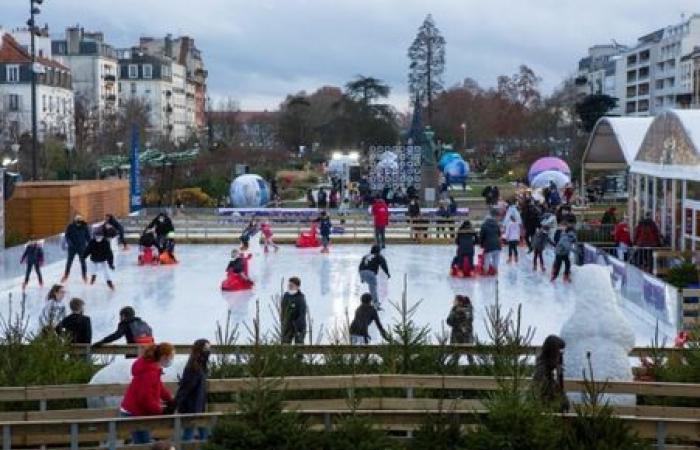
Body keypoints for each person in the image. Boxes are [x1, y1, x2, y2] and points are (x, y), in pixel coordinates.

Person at [120, 343, 176, 444]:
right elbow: (145, 399)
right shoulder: (150, 372)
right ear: (163, 357)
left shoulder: (152, 368)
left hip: (136, 411)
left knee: (143, 442)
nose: (172, 360)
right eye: (171, 357)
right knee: (143, 444)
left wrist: (170, 400)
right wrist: (161, 411)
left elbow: (159, 388)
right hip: (134, 413)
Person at [175, 339, 211, 442]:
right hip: (191, 406)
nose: (208, 351)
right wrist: (177, 402)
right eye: (206, 349)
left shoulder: (201, 365)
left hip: (198, 405)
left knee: (201, 432)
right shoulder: (193, 367)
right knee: (189, 434)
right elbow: (186, 388)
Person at [532, 335, 567, 411]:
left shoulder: (549, 371)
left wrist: (559, 375)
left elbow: (563, 403)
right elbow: (545, 400)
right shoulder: (542, 372)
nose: (561, 356)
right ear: (553, 352)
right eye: (559, 352)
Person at [358, 245, 390, 309]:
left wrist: (362, 277)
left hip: (362, 272)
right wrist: (387, 273)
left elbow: (360, 266)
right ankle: (376, 304)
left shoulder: (365, 256)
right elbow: (383, 265)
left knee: (371, 287)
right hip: (370, 273)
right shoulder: (378, 256)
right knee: (373, 289)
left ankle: (373, 302)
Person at [62, 214, 91, 283]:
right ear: (75, 220)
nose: (78, 222)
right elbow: (67, 236)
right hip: (72, 248)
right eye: (77, 220)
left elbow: (88, 237)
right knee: (69, 262)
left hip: (81, 248)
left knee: (83, 262)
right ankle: (66, 275)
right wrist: (70, 243)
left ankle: (84, 276)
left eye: (79, 220)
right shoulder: (70, 226)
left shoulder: (85, 226)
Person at [281, 277, 307, 344]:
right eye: (289, 285)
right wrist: (284, 322)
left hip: (299, 326)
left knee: (299, 345)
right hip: (287, 325)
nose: (290, 287)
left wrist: (296, 325)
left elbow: (302, 314)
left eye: (292, 285)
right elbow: (283, 310)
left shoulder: (300, 298)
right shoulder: (286, 296)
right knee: (285, 344)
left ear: (297, 287)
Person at [479, 209, 502, 276]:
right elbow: (499, 234)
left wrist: (481, 244)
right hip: (497, 245)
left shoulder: (484, 225)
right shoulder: (496, 224)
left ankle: (486, 272)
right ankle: (496, 273)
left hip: (489, 245)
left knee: (487, 260)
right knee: (496, 260)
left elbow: (481, 236)